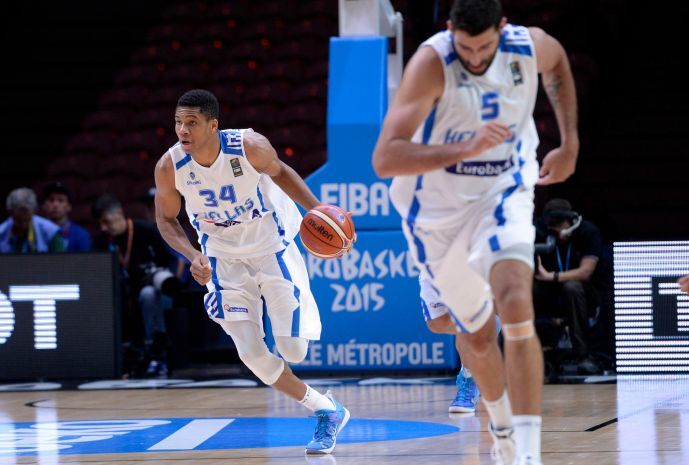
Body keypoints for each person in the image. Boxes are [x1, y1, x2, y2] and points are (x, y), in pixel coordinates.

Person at [372, 0, 579, 463]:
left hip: (503, 191)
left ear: (502, 29)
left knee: (516, 300)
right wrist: (463, 148)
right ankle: (501, 425)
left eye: (485, 48)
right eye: (466, 49)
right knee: (479, 336)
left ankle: (528, 451)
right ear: (450, 32)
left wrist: (569, 143)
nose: (476, 58)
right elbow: (385, 158)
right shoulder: (431, 63)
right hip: (437, 213)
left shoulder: (528, 45)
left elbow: (558, 65)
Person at [153, 89, 350, 455]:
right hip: (223, 261)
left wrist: (319, 211)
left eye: (191, 123)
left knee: (293, 350)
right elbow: (165, 219)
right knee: (253, 355)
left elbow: (283, 173)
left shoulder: (249, 146)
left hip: (271, 250)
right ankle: (327, 409)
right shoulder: (170, 166)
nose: (182, 130)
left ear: (213, 125)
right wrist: (192, 255)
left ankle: (298, 346)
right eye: (178, 122)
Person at [92, 193, 179, 376]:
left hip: (157, 293)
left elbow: (174, 261)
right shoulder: (101, 240)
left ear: (119, 213)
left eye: (106, 221)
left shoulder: (145, 230)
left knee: (148, 294)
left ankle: (157, 353)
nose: (103, 227)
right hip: (124, 293)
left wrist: (166, 279)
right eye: (100, 223)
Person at [533, 199, 602, 374]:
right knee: (526, 289)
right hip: (549, 292)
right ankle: (531, 352)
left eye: (560, 224)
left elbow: (586, 272)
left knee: (571, 287)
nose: (557, 230)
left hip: (583, 292)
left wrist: (552, 276)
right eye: (552, 226)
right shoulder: (539, 232)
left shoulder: (587, 232)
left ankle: (583, 355)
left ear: (570, 221)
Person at [419, 272, 502, 414]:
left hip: (465, 266)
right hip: (433, 267)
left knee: (464, 316)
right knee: (436, 324)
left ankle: (469, 379)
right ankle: (486, 324)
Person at [0, 187, 65, 253]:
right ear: (10, 212)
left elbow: (60, 258)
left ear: (34, 210)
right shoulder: (1, 232)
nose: (23, 226)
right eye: (19, 221)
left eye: (26, 221)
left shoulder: (51, 232)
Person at [41, 182, 92, 251]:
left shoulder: (80, 235)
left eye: (61, 200)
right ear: (44, 205)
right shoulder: (37, 232)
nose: (55, 204)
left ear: (69, 207)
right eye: (51, 200)